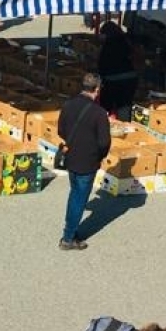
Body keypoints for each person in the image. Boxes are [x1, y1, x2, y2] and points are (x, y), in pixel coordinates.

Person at [57, 72, 111, 251]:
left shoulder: (68, 104)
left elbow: (61, 130)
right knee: (79, 198)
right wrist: (99, 156)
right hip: (88, 162)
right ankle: (68, 237)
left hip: (71, 158)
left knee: (74, 194)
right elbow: (104, 142)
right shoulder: (99, 113)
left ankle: (70, 230)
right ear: (97, 89)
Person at [95, 21, 138, 120]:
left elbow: (102, 64)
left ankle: (105, 122)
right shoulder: (125, 40)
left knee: (106, 105)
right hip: (130, 77)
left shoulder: (108, 45)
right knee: (125, 105)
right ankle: (124, 123)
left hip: (112, 79)